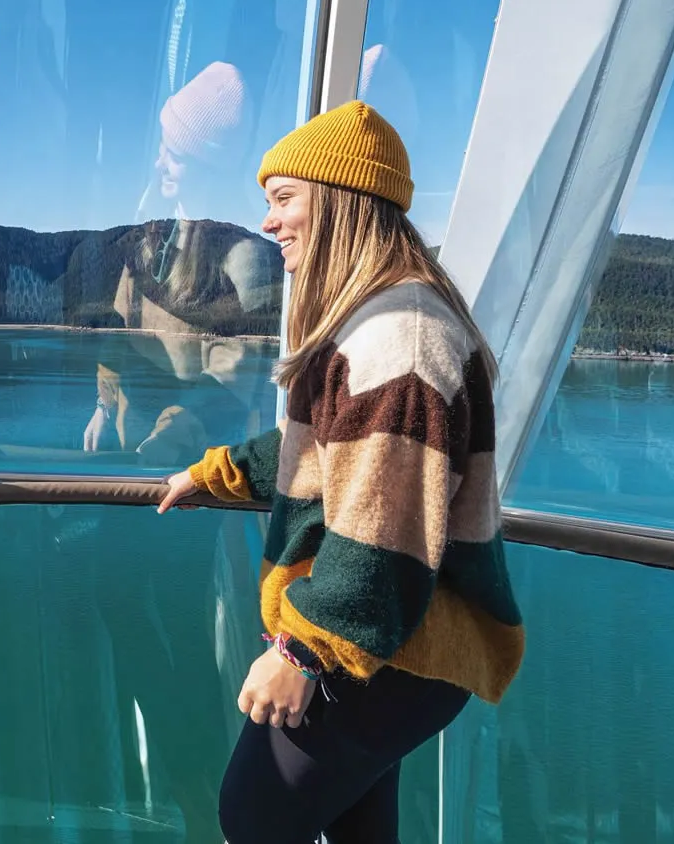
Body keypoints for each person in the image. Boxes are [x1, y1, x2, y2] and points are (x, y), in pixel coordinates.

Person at [156, 100, 525, 843]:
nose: (268, 222)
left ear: (341, 203)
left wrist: (301, 651)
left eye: (284, 199)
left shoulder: (401, 335)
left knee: (252, 814)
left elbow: (384, 532)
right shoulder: (380, 321)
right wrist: (221, 472)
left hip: (385, 648)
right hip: (391, 646)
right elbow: (328, 452)